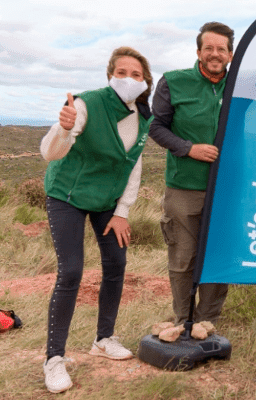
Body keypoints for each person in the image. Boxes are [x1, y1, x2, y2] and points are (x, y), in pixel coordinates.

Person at [40, 46, 153, 393]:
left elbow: (133, 166)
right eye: (122, 72)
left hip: (106, 199)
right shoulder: (87, 103)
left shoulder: (142, 116)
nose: (128, 79)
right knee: (71, 271)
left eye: (136, 75)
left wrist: (122, 213)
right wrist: (63, 129)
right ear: (110, 76)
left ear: (145, 82)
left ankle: (103, 339)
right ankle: (53, 359)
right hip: (68, 195)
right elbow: (50, 153)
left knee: (116, 263)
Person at [149, 22, 234, 326]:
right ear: (198, 51)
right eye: (208, 48)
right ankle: (182, 322)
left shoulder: (241, 86)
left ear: (230, 54)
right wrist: (188, 148)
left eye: (220, 49)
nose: (214, 53)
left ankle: (206, 324)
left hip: (227, 190)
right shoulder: (174, 82)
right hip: (183, 188)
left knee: (217, 259)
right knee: (183, 259)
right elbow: (156, 127)